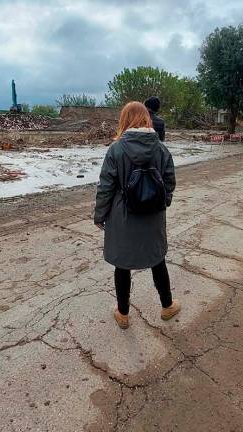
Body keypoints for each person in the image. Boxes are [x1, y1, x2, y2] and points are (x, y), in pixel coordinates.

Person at [93, 101, 179, 329]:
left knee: (122, 263)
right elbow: (170, 181)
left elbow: (106, 186)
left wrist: (100, 214)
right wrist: (162, 202)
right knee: (157, 259)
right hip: (153, 215)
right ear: (146, 119)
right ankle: (167, 306)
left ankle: (122, 314)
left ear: (125, 120)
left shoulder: (116, 149)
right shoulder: (161, 148)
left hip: (123, 215)